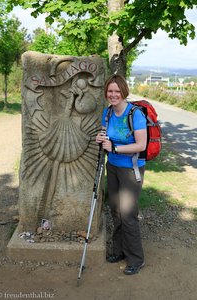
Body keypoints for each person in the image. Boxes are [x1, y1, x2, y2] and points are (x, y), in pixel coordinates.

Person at [96, 74, 147, 275]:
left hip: (131, 168)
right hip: (113, 167)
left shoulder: (135, 114)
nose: (113, 94)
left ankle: (136, 259)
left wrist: (114, 148)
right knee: (115, 210)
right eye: (110, 91)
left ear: (124, 91)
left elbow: (141, 145)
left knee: (128, 214)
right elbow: (104, 135)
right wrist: (99, 138)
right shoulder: (107, 112)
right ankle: (119, 251)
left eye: (117, 91)